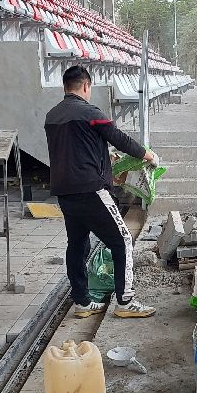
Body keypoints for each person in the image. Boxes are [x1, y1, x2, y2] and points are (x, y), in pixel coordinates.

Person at [44, 64, 157, 319]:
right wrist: (147, 154)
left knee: (77, 244)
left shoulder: (52, 116)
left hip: (65, 192)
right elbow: (118, 137)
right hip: (91, 190)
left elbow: (78, 146)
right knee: (123, 240)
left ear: (65, 87)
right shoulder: (90, 112)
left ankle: (82, 302)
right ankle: (125, 301)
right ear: (86, 86)